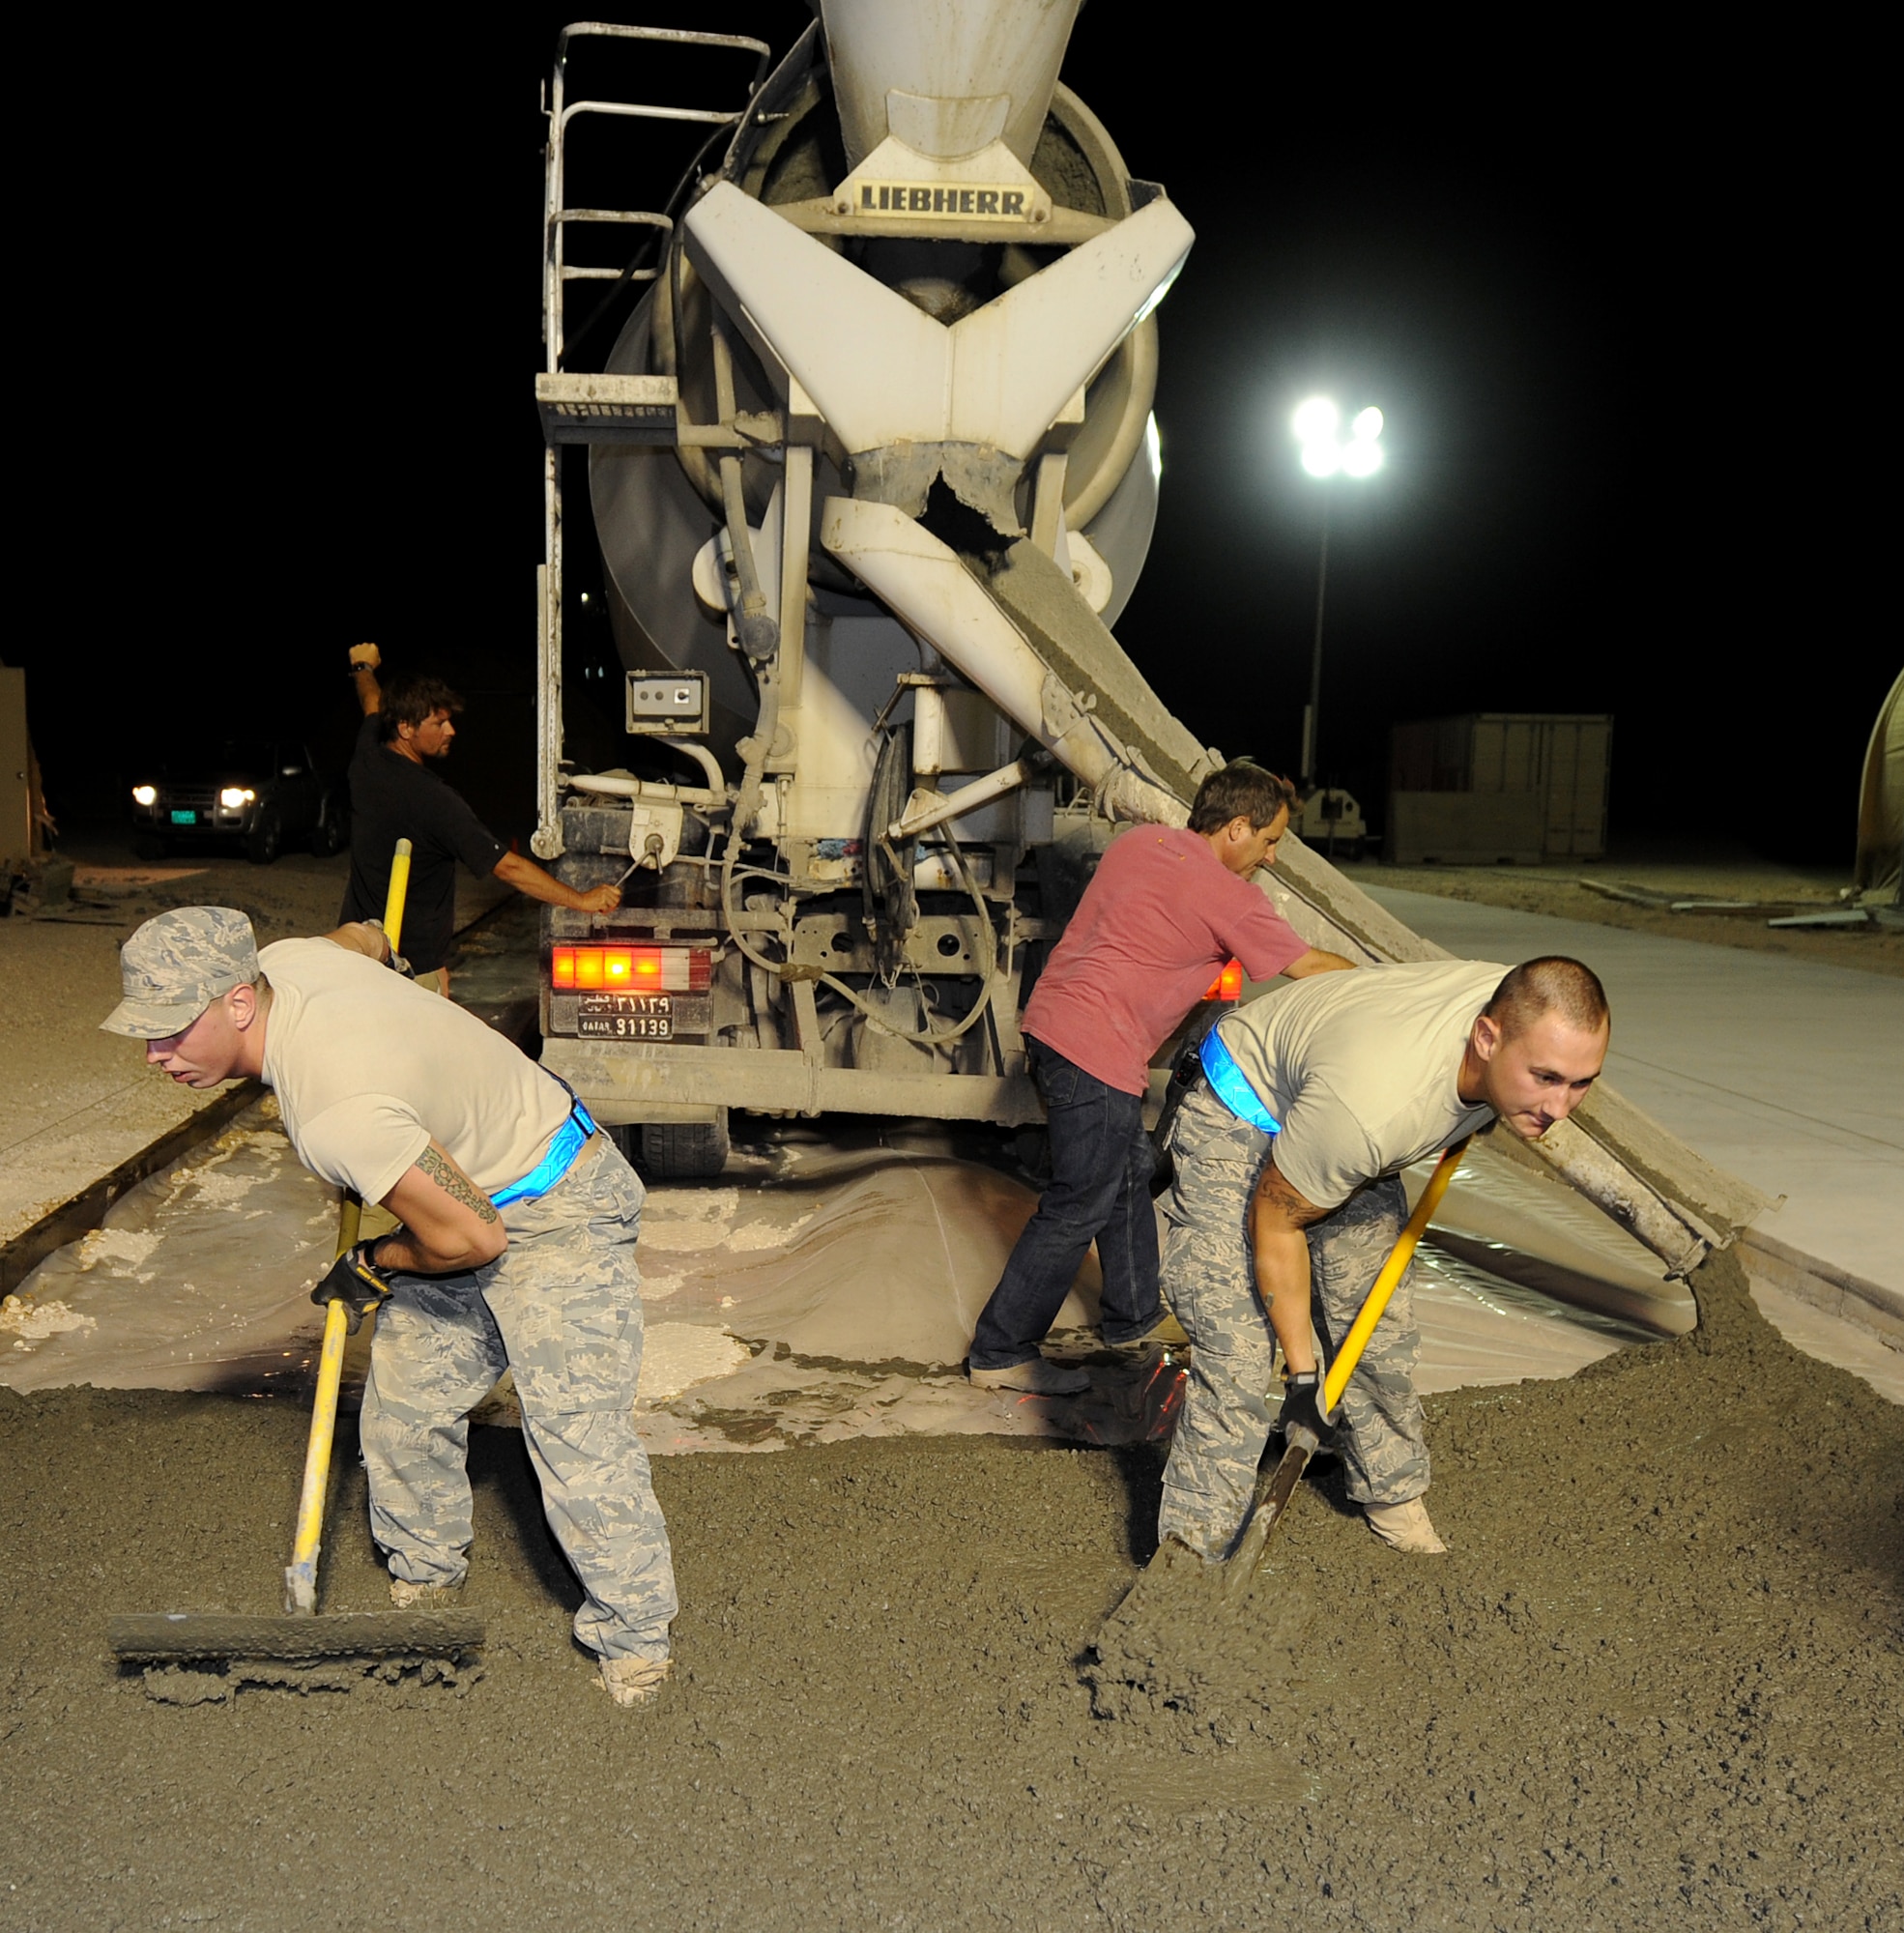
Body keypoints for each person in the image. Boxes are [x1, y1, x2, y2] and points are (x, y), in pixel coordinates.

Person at [101, 905, 678, 1707]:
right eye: (147, 1034)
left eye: (171, 1031)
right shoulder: (294, 956)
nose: (158, 1055)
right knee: (404, 1406)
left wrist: (373, 1260)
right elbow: (365, 937)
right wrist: (392, 972)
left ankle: (636, 1640)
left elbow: (475, 1239)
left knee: (577, 1437)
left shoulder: (337, 1109)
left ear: (239, 1001)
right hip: (470, 1196)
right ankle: (425, 1573)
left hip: (561, 1207)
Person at [1158, 954, 1610, 1557]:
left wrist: (1509, 1099)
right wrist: (1303, 1377)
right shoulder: (1374, 1112)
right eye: (1544, 1079)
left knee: (1375, 1325)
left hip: (1338, 1109)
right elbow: (1277, 1220)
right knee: (1237, 1350)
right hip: (1244, 1109)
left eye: (1580, 1083)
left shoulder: (1527, 1006)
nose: (1560, 1108)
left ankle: (1392, 1494)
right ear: (1485, 1036)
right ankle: (1189, 1560)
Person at [967, 762, 1355, 1397]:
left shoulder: (1139, 843)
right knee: (1078, 1204)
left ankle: (1132, 1316)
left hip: (1054, 1024)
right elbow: (1310, 966)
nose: (1273, 857)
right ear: (1236, 828)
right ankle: (1000, 1350)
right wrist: (1384, 987)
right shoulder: (1230, 897)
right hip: (1095, 1049)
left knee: (1123, 1174)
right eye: (1270, 839)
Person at [341, 643, 620, 993]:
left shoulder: (367, 759)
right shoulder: (434, 800)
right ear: (406, 728)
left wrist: (363, 668)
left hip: (357, 958)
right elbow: (507, 867)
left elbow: (371, 703)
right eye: (439, 723)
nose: (451, 731)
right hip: (408, 971)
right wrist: (581, 900)